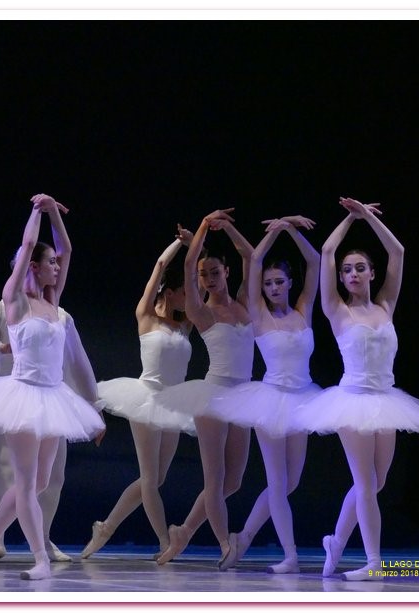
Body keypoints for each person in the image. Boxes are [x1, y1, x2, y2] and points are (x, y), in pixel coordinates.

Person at [291, 197, 419, 581]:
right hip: (353, 401)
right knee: (364, 485)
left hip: (386, 400)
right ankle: (374, 561)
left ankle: (336, 542)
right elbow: (327, 250)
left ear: (372, 273)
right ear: (341, 278)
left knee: (376, 483)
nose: (353, 274)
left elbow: (398, 250)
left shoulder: (386, 306)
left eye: (360, 268)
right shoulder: (337, 311)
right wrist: (349, 217)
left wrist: (368, 219)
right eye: (347, 270)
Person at [0, 194, 105, 581]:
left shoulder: (54, 303)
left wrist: (57, 211)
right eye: (50, 263)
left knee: (39, 482)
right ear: (34, 268)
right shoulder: (14, 301)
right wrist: (36, 213)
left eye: (56, 263)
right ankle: (39, 557)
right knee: (25, 482)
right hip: (23, 394)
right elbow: (26, 246)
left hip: (53, 396)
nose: (56, 266)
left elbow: (68, 247)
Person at [211, 215, 322, 573]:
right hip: (271, 399)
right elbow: (254, 261)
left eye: (279, 282)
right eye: (269, 283)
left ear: (290, 284)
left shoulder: (304, 310)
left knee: (291, 482)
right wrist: (268, 232)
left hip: (303, 397)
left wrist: (290, 229)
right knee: (277, 482)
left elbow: (315, 261)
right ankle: (290, 554)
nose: (273, 287)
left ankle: (242, 538)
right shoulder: (258, 313)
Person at [80, 227, 197, 559]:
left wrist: (196, 248)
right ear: (170, 293)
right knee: (149, 477)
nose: (188, 299)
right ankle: (164, 540)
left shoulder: (184, 324)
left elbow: (195, 278)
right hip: (146, 397)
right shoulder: (146, 317)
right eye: (183, 294)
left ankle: (105, 527)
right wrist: (178, 243)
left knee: (156, 479)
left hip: (175, 403)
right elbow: (160, 265)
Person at [152, 209, 256, 565]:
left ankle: (183, 531)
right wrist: (199, 229)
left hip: (243, 396)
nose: (209, 279)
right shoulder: (201, 310)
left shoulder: (244, 302)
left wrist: (228, 227)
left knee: (234, 481)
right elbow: (189, 263)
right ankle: (225, 544)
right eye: (203, 275)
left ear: (226, 272)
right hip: (213, 395)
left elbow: (251, 256)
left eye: (215, 272)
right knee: (216, 478)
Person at [0, 296, 101, 564]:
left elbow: (74, 360)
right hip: (14, 396)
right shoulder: (1, 309)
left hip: (50, 398)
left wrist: (92, 405)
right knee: (6, 472)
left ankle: (42, 537)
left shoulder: (61, 315)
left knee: (51, 476)